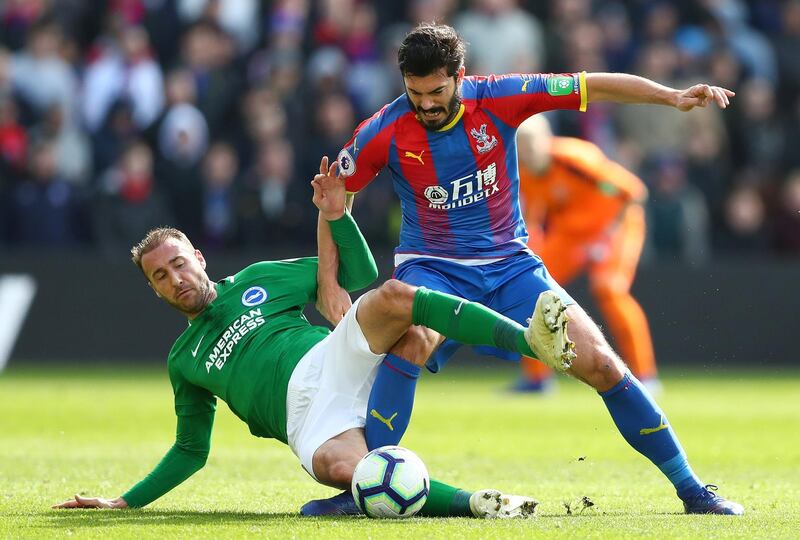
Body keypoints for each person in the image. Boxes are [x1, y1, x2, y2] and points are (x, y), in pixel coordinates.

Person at [315, 23, 742, 515]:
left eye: (436, 92)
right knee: (413, 339)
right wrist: (329, 280)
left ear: (458, 76)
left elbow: (592, 84)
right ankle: (359, 490)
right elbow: (333, 194)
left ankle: (692, 490)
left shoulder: (501, 97)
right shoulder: (384, 129)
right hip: (433, 268)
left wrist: (671, 97)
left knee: (602, 363)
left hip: (513, 268)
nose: (426, 104)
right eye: (415, 94)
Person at [52, 156, 563, 518]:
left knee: (393, 297)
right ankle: (477, 503)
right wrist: (125, 501)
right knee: (345, 469)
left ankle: (527, 341)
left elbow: (357, 270)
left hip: (328, 358)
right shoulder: (183, 359)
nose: (175, 279)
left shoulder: (258, 278)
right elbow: (191, 449)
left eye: (179, 264)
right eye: (160, 276)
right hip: (307, 419)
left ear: (199, 259)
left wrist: (336, 215)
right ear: (153, 289)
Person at [512, 115, 658, 393]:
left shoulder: (575, 158)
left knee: (609, 290)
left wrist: (607, 238)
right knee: (529, 288)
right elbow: (532, 218)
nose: (526, 152)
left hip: (616, 225)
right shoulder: (524, 171)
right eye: (520, 146)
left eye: (530, 145)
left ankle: (646, 376)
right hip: (571, 235)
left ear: (547, 140)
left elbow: (633, 193)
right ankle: (537, 379)